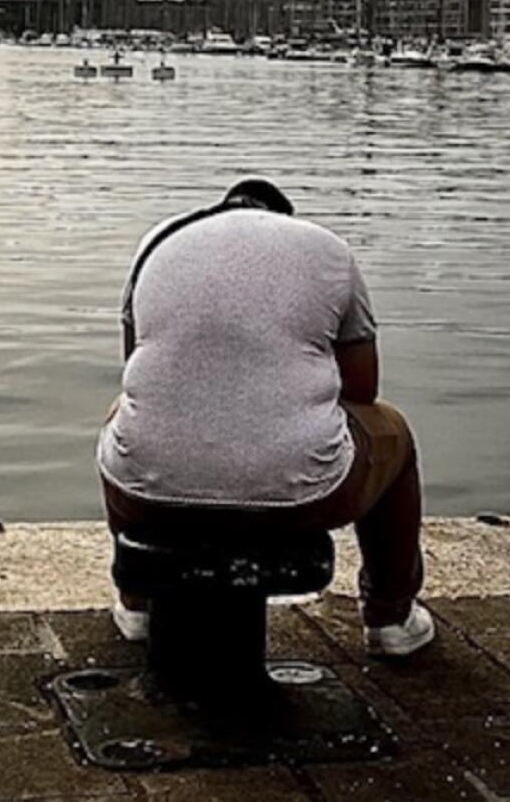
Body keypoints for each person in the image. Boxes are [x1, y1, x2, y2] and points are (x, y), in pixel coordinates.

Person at [96, 177, 433, 657]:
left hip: (147, 493)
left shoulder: (159, 242)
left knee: (125, 413)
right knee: (393, 431)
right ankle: (391, 617)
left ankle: (137, 605)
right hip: (303, 496)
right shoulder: (327, 251)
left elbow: (135, 371)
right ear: (283, 219)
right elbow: (362, 392)